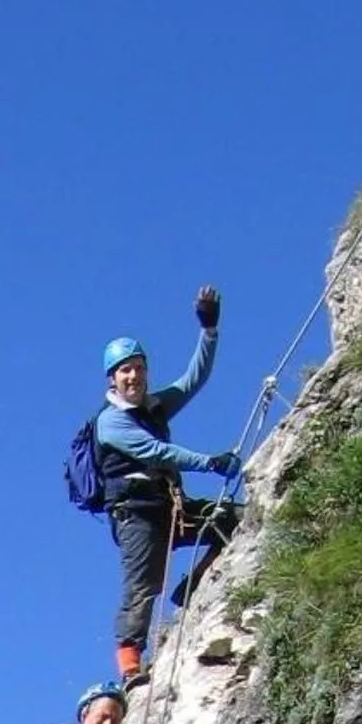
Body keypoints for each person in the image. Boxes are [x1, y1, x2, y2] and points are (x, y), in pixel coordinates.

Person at [96, 287, 243, 686]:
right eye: (125, 370)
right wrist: (209, 462)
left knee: (233, 522)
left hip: (168, 506)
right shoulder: (110, 422)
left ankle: (194, 588)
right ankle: (129, 664)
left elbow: (194, 379)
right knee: (142, 585)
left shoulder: (154, 406)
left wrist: (208, 330)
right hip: (137, 513)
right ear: (113, 378)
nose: (134, 375)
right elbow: (156, 451)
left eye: (138, 368)